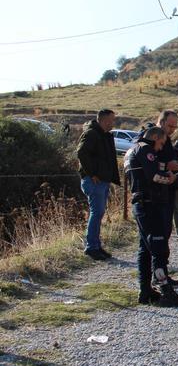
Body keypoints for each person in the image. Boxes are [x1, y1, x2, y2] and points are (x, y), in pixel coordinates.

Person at [124, 127, 178, 307]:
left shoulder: (133, 149)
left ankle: (145, 291)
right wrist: (170, 179)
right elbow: (153, 176)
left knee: (145, 249)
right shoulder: (145, 149)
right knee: (159, 248)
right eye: (161, 143)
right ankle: (166, 291)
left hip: (142, 203)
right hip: (149, 203)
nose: (161, 148)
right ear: (154, 137)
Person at [76, 109, 121, 260]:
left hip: (102, 180)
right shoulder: (92, 134)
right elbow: (81, 152)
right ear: (103, 120)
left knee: (98, 213)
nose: (113, 123)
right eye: (111, 120)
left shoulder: (104, 135)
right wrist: (92, 173)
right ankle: (91, 247)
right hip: (94, 181)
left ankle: (95, 245)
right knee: (96, 213)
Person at [153, 110, 178, 286]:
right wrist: (168, 166)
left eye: (175, 126)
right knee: (158, 237)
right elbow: (150, 165)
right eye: (170, 126)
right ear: (161, 122)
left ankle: (162, 273)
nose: (173, 129)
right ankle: (157, 276)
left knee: (165, 235)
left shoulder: (167, 140)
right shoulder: (152, 139)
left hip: (167, 191)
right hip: (156, 195)